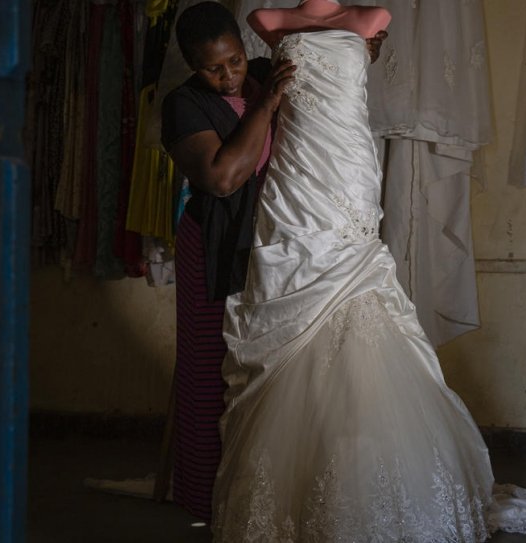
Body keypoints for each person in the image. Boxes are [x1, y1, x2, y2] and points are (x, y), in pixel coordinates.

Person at [213, 1, 526, 540]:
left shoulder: (372, 16)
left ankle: (374, 481)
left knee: (360, 301)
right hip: (295, 172)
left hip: (348, 168)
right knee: (295, 292)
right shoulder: (269, 19)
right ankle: (299, 485)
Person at [160, 1, 386, 522]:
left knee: (255, 365)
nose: (229, 76)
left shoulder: (262, 74)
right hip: (214, 245)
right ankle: (200, 500)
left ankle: (248, 489)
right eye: (212, 68)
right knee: (206, 369)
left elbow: (322, 85)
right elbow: (222, 178)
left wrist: (356, 51)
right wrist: (266, 105)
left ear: (245, 48)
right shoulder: (184, 105)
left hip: (270, 243)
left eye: (235, 60)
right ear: (194, 67)